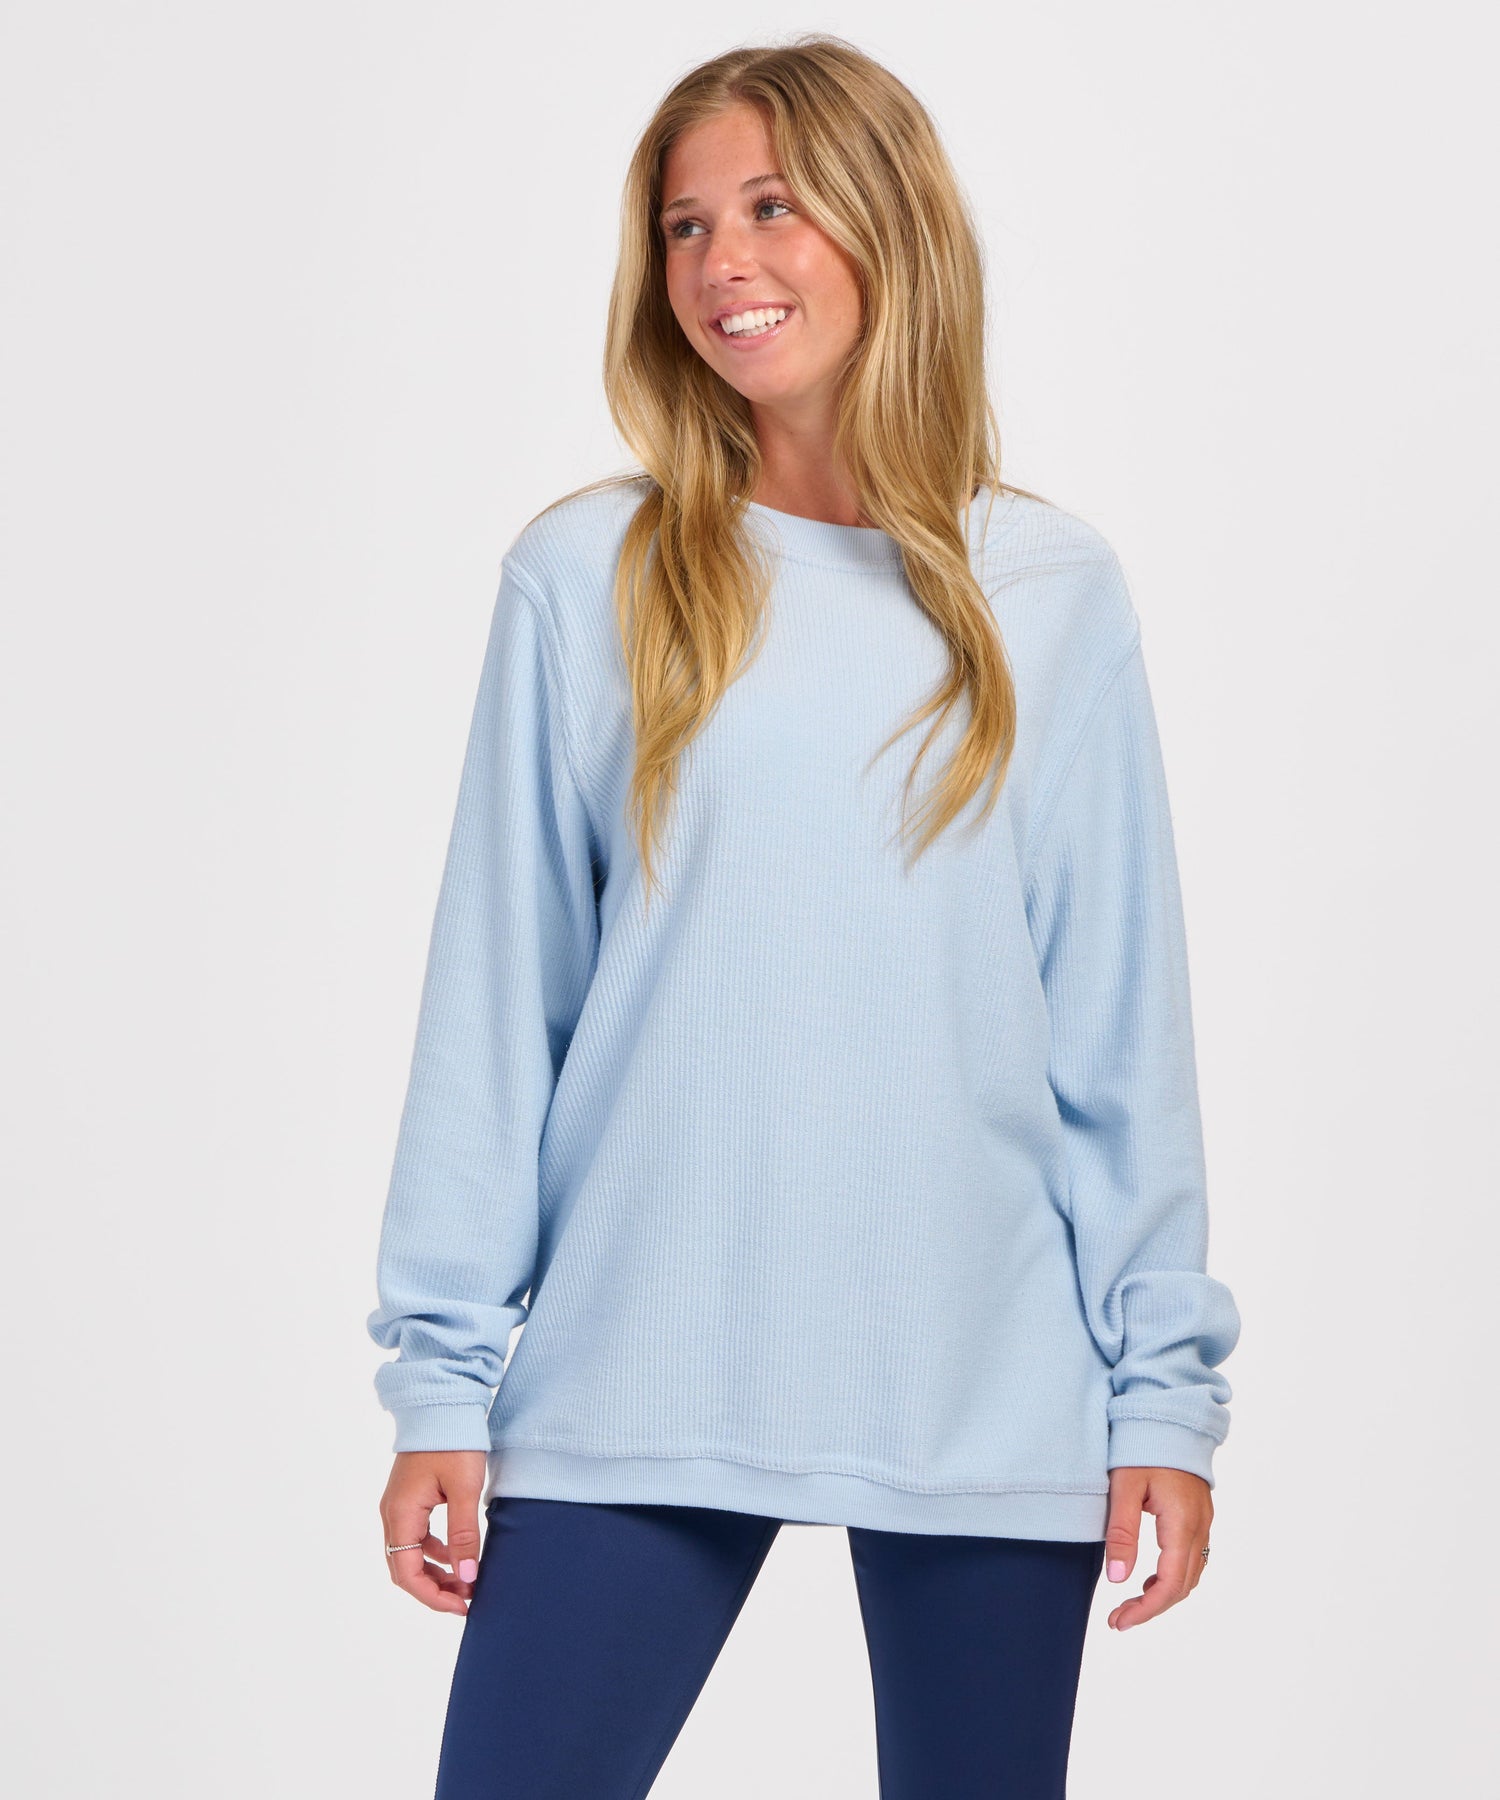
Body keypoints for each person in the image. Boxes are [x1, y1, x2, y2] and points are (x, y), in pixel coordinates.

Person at [365, 33, 1242, 1800]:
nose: (723, 264)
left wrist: (1164, 1390)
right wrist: (441, 1377)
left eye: (771, 208)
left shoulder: (1049, 591)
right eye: (685, 226)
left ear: (887, 222)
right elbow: (499, 1003)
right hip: (641, 1368)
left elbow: (1117, 1024)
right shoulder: (589, 579)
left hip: (985, 1376)